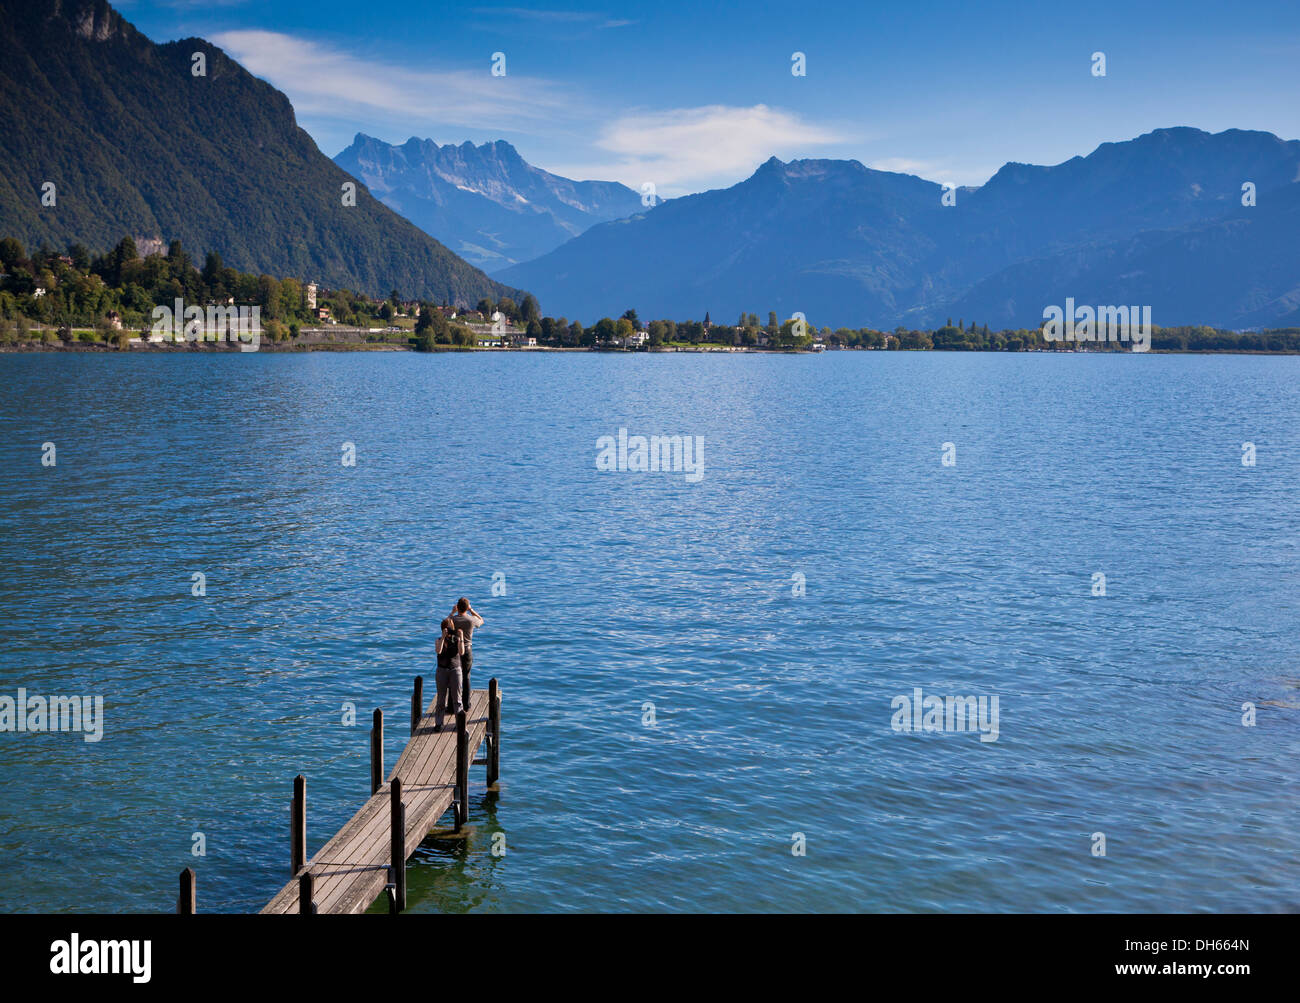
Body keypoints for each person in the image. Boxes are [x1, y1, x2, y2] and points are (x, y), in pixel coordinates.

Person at [448, 597, 484, 710]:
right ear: (466, 608)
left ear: (457, 607)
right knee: (466, 677)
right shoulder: (470, 620)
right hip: (467, 650)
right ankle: (466, 705)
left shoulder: (453, 619)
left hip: (455, 650)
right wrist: (472, 610)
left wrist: (452, 612)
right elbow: (481, 620)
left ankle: (450, 705)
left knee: (453, 677)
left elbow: (445, 624)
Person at [434, 617, 464, 732]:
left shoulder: (456, 639)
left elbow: (462, 652)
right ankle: (439, 723)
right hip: (442, 671)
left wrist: (461, 637)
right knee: (441, 699)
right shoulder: (438, 640)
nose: (449, 631)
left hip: (455, 670)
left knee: (457, 699)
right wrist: (443, 637)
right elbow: (438, 651)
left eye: (451, 629)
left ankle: (459, 723)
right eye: (447, 629)